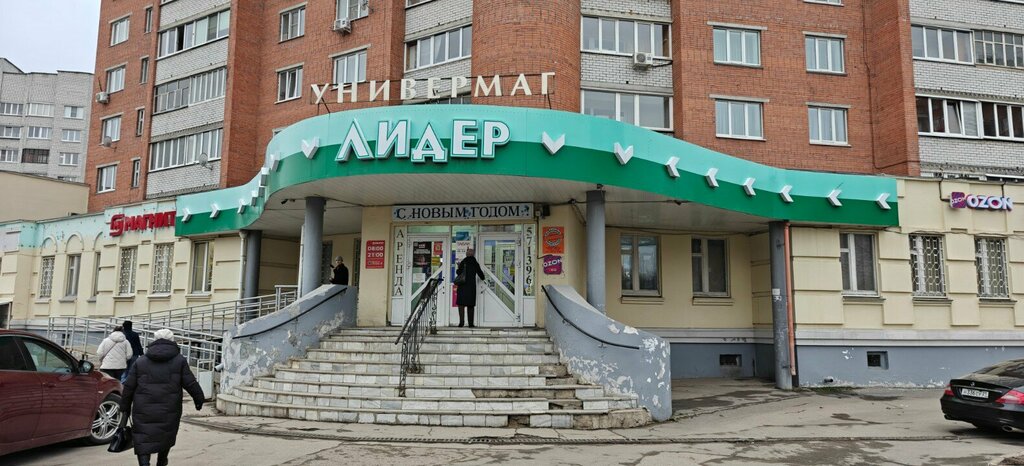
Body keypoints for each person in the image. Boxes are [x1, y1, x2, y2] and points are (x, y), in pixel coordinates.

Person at [120, 329, 205, 466]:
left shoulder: (141, 361)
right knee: (165, 435)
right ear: (172, 340)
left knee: (142, 437)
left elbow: (129, 387)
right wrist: (199, 399)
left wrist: (124, 407)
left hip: (143, 409)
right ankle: (161, 461)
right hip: (169, 408)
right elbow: (190, 382)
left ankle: (144, 464)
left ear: (154, 340)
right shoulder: (179, 360)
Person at [455, 249, 486, 328]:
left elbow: (458, 272)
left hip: (462, 286)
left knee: (461, 305)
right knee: (470, 305)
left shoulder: (463, 262)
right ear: (473, 254)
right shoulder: (475, 263)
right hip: (471, 287)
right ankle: (471, 324)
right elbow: (482, 276)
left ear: (467, 254)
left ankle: (461, 323)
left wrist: (458, 267)